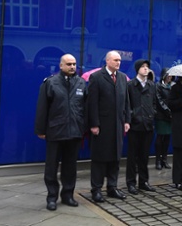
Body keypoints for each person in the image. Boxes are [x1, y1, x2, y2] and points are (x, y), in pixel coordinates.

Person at [34, 54, 86, 211]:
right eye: (68, 64)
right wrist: (41, 130)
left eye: (74, 64)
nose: (72, 67)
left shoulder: (82, 83)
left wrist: (84, 127)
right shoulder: (50, 83)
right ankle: (52, 197)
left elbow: (86, 108)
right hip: (56, 131)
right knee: (51, 167)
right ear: (61, 65)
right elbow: (42, 108)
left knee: (70, 167)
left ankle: (68, 195)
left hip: (74, 132)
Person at [88, 50, 131, 202]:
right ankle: (97, 189)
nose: (118, 63)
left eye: (119, 60)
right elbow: (92, 103)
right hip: (102, 125)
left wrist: (127, 120)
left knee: (115, 158)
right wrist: (94, 124)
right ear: (107, 61)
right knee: (100, 158)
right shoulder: (97, 77)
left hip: (118, 125)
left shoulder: (122, 78)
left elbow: (126, 101)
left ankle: (112, 187)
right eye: (115, 60)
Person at [126, 59, 157, 195]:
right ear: (137, 69)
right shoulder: (130, 85)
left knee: (144, 156)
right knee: (132, 156)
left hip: (148, 125)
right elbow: (127, 105)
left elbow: (154, 103)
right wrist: (133, 116)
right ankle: (131, 183)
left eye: (147, 67)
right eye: (143, 67)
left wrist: (152, 114)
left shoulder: (152, 85)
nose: (146, 69)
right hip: (135, 125)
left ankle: (144, 181)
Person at [155, 68, 173, 170]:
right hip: (161, 115)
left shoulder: (173, 86)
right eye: (168, 75)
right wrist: (167, 110)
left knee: (167, 138)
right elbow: (159, 100)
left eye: (171, 76)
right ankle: (158, 159)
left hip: (170, 116)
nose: (170, 77)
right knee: (160, 137)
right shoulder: (158, 85)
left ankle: (164, 159)